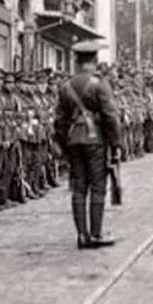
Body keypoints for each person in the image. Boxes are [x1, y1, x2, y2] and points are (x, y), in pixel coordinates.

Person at [54, 40, 121, 249]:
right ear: (94, 61)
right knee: (98, 187)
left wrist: (64, 145)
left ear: (77, 62)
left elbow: (60, 120)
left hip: (74, 141)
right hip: (95, 140)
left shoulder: (65, 87)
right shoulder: (100, 84)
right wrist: (116, 143)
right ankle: (95, 233)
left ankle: (81, 235)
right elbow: (111, 117)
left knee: (79, 188)